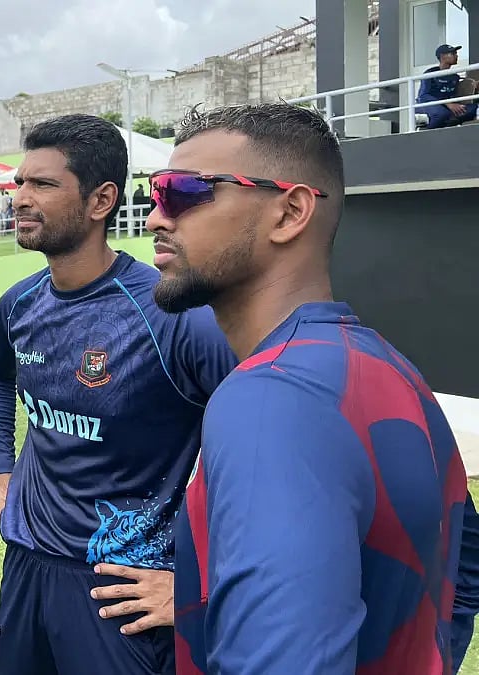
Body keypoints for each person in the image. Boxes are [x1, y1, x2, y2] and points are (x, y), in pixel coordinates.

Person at [148, 101, 479, 674]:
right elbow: (465, 575)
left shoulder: (271, 398)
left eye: (185, 191)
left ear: (290, 212)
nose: (156, 217)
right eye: (156, 192)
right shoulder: (391, 369)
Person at [0, 113, 238, 675]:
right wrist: (0, 470)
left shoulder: (172, 317)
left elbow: (266, 450)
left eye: (43, 184)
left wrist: (201, 582)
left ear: (101, 201)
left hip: (118, 589)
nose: (20, 198)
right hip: (24, 566)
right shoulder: (20, 304)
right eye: (19, 182)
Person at [416, 44, 477, 129]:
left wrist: (473, 85)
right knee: (442, 114)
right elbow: (423, 96)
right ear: (442, 56)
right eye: (453, 53)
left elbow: (456, 92)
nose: (456, 56)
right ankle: (424, 131)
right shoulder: (430, 73)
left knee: (472, 109)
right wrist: (448, 104)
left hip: (448, 106)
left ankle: (448, 125)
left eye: (456, 53)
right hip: (430, 105)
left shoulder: (454, 76)